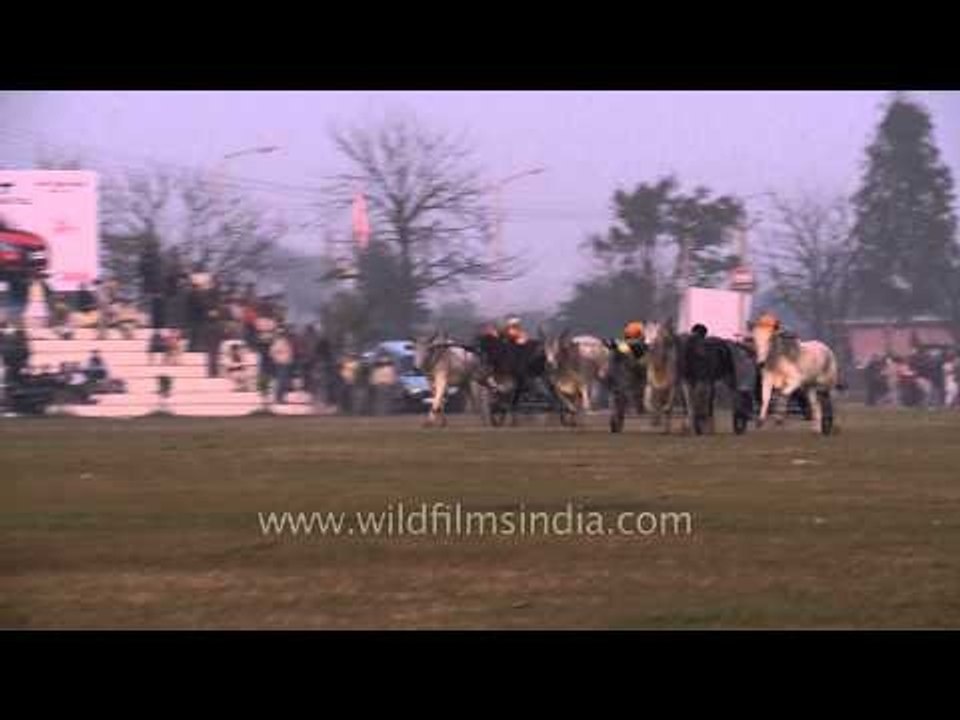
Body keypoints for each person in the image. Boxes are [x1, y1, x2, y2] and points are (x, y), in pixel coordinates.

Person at [269, 328, 295, 404]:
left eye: (283, 333)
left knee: (284, 382)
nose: (284, 335)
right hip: (281, 363)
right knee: (281, 382)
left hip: (285, 363)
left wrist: (289, 359)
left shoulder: (285, 342)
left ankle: (281, 398)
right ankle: (278, 398)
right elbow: (272, 352)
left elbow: (289, 352)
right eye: (282, 334)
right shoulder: (278, 342)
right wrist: (277, 358)